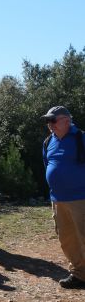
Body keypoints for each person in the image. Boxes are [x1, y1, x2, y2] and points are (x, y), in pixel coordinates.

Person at [42, 106, 85, 289]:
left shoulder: (80, 138)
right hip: (58, 199)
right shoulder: (47, 142)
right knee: (67, 238)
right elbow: (47, 164)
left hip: (81, 198)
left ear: (67, 121)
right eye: (47, 121)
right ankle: (79, 274)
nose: (49, 124)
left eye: (53, 120)